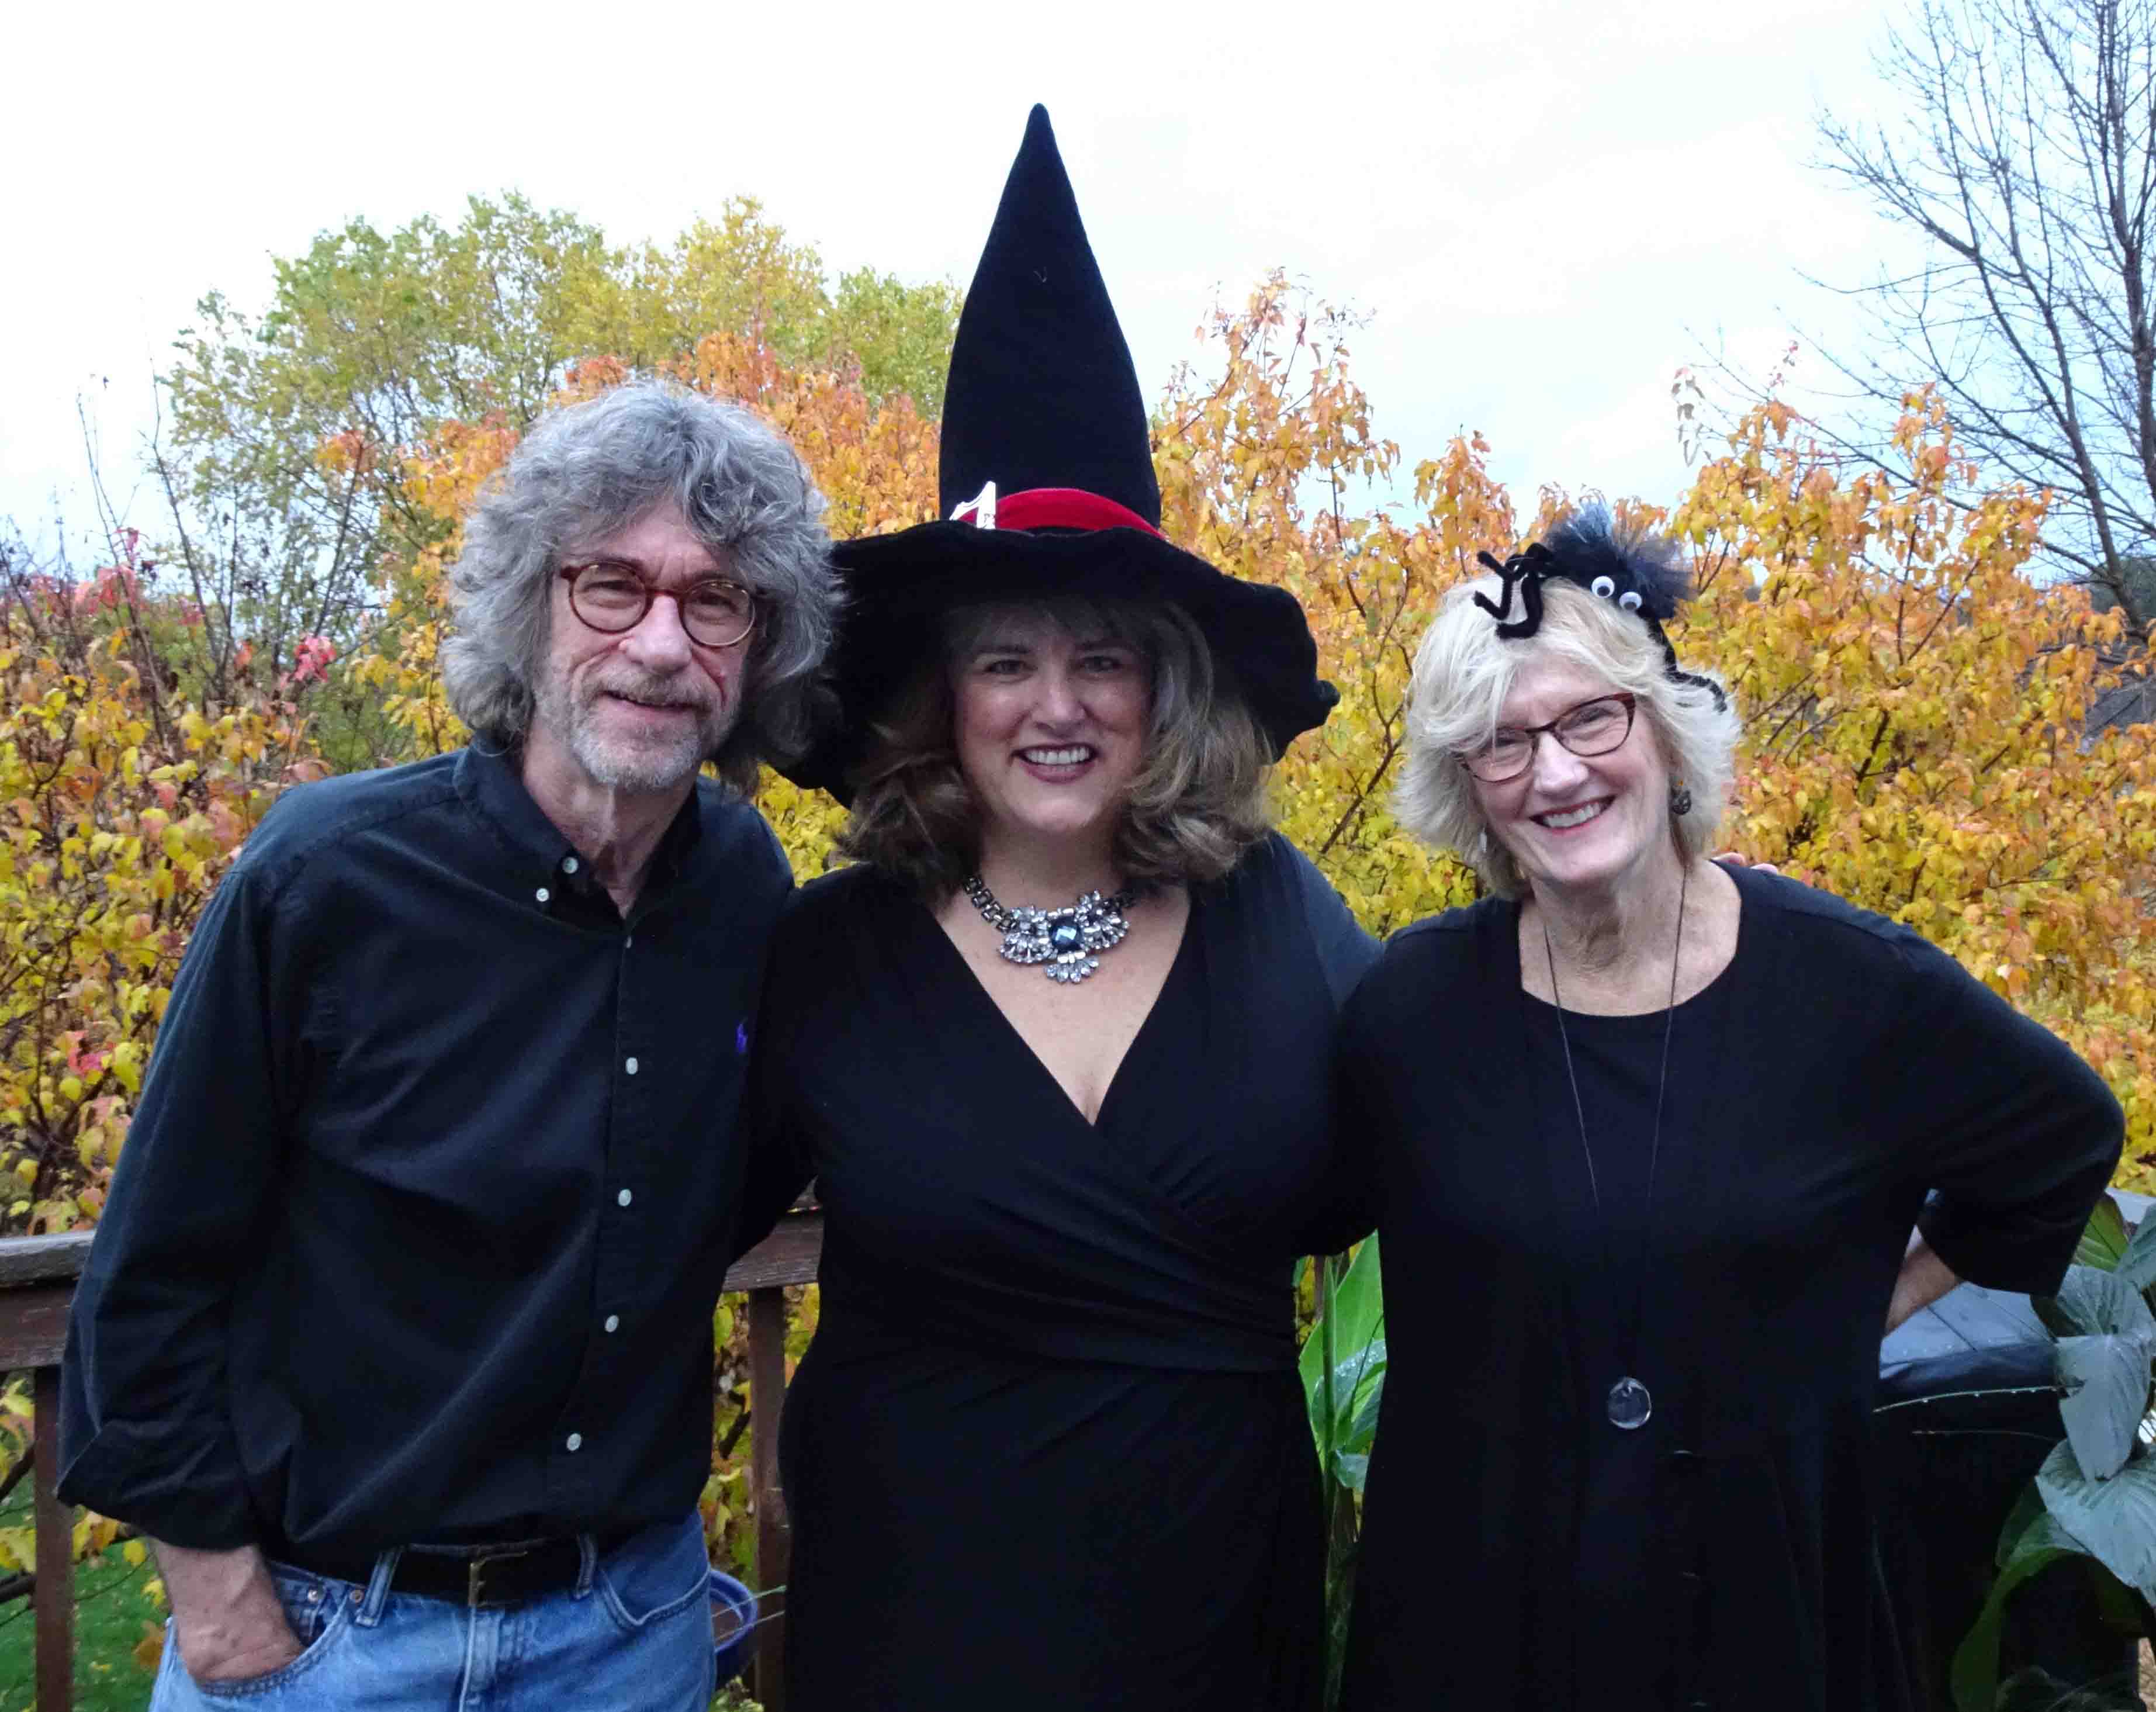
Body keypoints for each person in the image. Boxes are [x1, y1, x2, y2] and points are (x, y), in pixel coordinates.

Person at [58, 380, 840, 1709]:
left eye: (717, 601)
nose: (662, 644)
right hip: (331, 1642)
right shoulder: (327, 877)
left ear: (760, 648)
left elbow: (734, 1185)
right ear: (531, 606)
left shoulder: (744, 888)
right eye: (612, 586)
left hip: (626, 1635)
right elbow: (152, 1268)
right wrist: (225, 1608)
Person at [743, 106, 1375, 1711]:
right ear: (940, 699)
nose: (1057, 704)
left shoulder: (1281, 920)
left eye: (1102, 658)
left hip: (1216, 1621)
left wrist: (1652, 933)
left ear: (1164, 692)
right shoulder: (831, 955)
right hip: (917, 1626)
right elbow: (634, 1206)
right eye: (1005, 661)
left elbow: (1482, 1116)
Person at [1334, 507, 2124, 1711]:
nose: (1555, 771)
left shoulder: (1848, 986)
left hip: (1761, 1607)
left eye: (1590, 718)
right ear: (1466, 786)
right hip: (1477, 1613)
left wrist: (1864, 1302)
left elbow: (2063, 1138)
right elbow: (1288, 1190)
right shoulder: (1413, 1007)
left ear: (1664, 728)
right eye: (1500, 744)